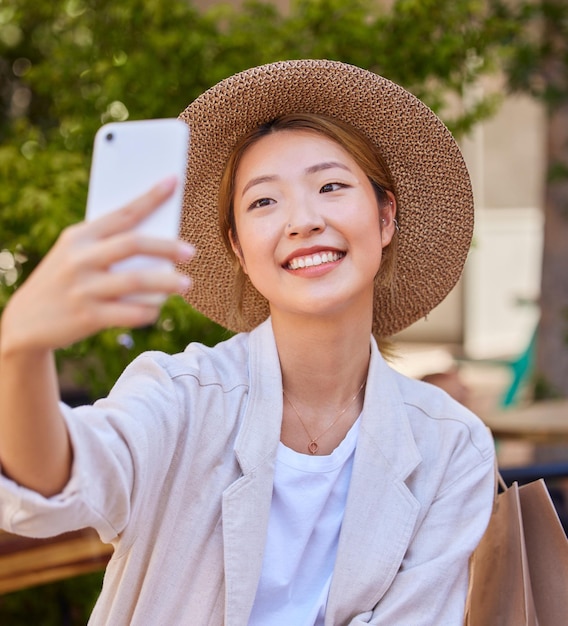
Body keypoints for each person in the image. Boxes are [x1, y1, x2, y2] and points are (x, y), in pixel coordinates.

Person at [0, 60, 495, 625]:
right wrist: (20, 350)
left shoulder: (453, 446)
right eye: (264, 202)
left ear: (385, 219)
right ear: (237, 246)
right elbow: (56, 484)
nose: (303, 220)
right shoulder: (180, 395)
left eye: (331, 186)